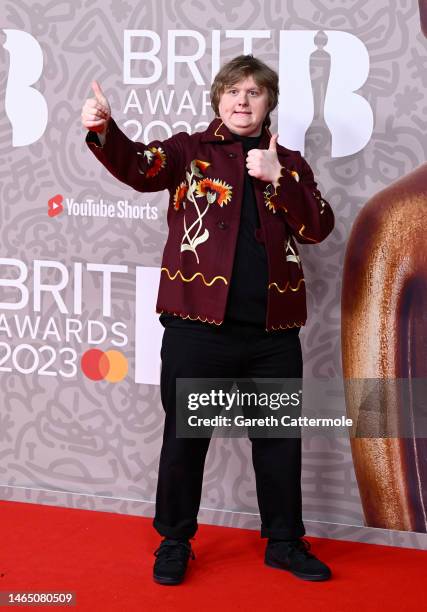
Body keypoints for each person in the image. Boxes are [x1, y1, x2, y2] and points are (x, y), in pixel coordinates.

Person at [82, 54, 335, 585]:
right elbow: (139, 166)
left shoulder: (288, 162)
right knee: (184, 440)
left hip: (272, 333)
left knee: (279, 442)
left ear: (269, 103)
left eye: (254, 92)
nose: (243, 100)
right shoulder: (187, 150)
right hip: (197, 326)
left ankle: (285, 542)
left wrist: (279, 180)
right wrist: (106, 130)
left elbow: (317, 229)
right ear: (218, 99)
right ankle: (175, 541)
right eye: (233, 91)